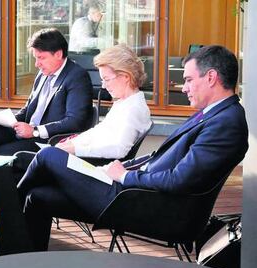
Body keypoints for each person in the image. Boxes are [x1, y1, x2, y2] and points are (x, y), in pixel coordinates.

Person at [18, 45, 249, 251]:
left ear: (211, 77)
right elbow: (159, 157)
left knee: (48, 155)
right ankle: (22, 257)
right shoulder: (213, 115)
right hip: (136, 196)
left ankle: (4, 215)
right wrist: (120, 168)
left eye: (188, 79)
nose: (184, 87)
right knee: (38, 197)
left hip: (147, 206)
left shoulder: (225, 123)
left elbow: (179, 180)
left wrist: (126, 176)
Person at [0, 28, 93, 155]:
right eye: (35, 58)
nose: (37, 64)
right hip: (28, 131)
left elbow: (75, 121)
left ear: (58, 54)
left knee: (2, 152)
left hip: (47, 139)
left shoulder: (77, 76)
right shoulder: (42, 74)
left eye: (41, 58)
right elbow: (29, 109)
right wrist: (11, 121)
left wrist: (35, 131)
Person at [56, 44, 151, 159]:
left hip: (97, 168)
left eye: (106, 79)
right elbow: (99, 132)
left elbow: (119, 149)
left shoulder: (134, 109)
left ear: (126, 76)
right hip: (91, 162)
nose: (104, 86)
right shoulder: (124, 103)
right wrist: (73, 143)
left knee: (44, 156)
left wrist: (75, 149)